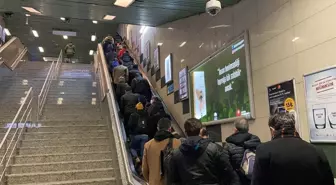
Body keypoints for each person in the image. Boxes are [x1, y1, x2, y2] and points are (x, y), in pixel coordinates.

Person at [251, 113, 334, 185]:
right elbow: (328, 181)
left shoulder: (264, 150)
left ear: (272, 130)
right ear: (294, 128)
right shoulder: (316, 151)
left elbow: (257, 182)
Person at [170, 118, 240, 185]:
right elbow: (229, 173)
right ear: (201, 130)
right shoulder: (215, 148)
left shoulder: (176, 153)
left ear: (185, 132)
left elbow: (174, 180)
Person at [142, 118, 181, 185]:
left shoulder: (148, 145)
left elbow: (144, 169)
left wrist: (151, 180)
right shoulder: (178, 143)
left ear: (158, 128)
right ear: (170, 129)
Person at [226, 118, 261, 185]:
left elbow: (227, 167)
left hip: (237, 181)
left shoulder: (229, 145)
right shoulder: (256, 141)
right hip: (253, 179)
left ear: (235, 129)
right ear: (248, 129)